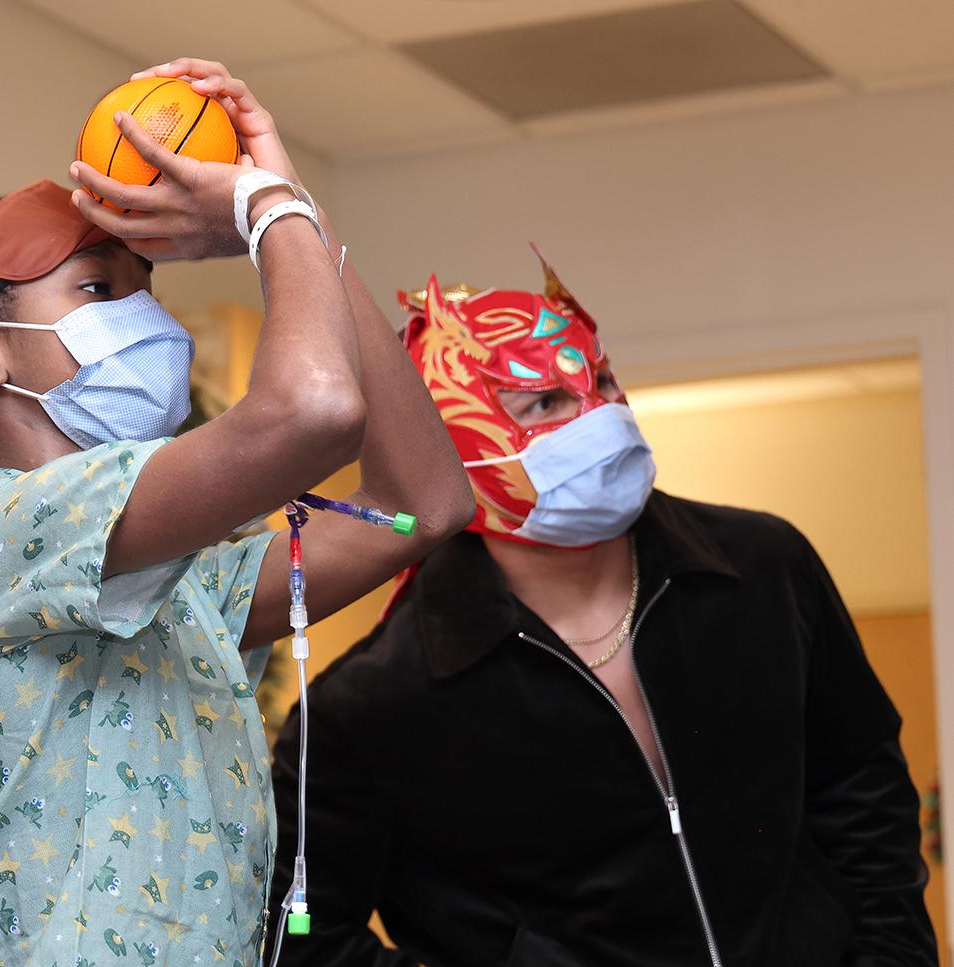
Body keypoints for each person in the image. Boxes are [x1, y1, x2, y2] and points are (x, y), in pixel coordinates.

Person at [0, 56, 473, 966]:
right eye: (98, 288)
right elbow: (315, 410)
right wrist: (266, 210)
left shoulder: (183, 582)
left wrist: (300, 216)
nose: (149, 321)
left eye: (147, 286)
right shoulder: (5, 530)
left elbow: (422, 505)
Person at [267, 251, 939, 967]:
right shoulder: (370, 706)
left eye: (604, 380)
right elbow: (301, 934)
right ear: (453, 438)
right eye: (546, 401)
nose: (602, 413)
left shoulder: (766, 569)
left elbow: (864, 787)